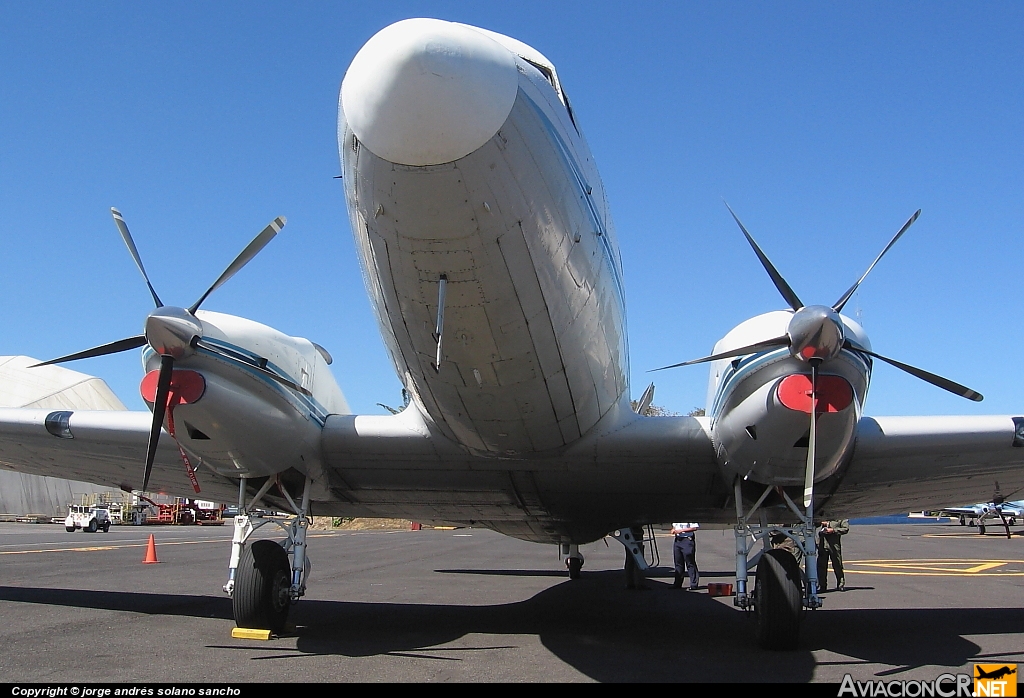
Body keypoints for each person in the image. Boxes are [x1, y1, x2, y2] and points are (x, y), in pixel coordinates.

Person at [817, 519, 850, 591]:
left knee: (837, 564)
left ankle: (840, 583)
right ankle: (822, 585)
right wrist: (820, 522)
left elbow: (845, 529)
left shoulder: (840, 518)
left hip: (834, 545)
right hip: (823, 544)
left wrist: (833, 530)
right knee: (821, 566)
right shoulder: (822, 516)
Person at [671, 522, 700, 590]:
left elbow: (694, 527)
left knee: (690, 562)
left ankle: (694, 584)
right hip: (678, 540)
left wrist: (681, 530)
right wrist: (673, 529)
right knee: (678, 563)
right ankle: (677, 583)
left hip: (687, 539)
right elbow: (675, 526)